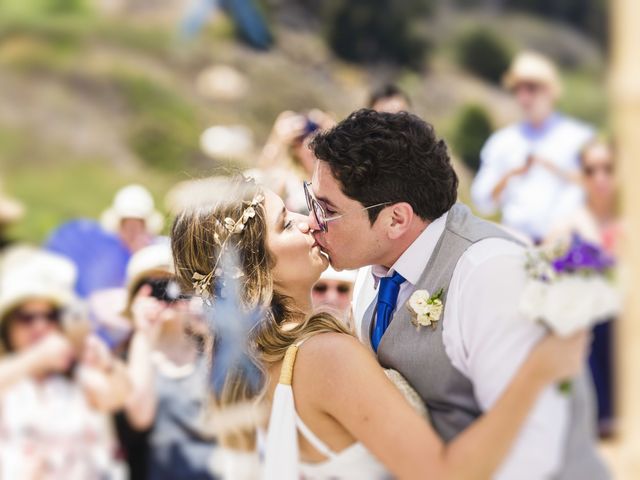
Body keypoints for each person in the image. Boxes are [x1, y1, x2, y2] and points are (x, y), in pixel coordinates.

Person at [171, 175, 591, 479]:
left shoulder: (239, 364)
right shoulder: (325, 357)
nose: (306, 221)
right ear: (251, 271)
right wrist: (539, 370)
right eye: (284, 224)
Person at [306, 109, 608, 479]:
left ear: (396, 219)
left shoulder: (492, 273)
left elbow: (535, 448)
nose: (312, 223)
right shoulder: (372, 271)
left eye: (327, 209)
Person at [0, 250, 129, 479]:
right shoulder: (10, 379)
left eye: (49, 316)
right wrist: (36, 358)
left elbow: (118, 396)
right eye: (26, 318)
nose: (39, 326)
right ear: (8, 326)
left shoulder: (75, 374)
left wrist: (107, 363)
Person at [471, 51, 595, 242]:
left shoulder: (580, 138)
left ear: (551, 90)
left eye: (531, 88)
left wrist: (556, 169)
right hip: (516, 245)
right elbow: (482, 201)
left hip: (568, 247)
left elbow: (601, 191)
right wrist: (510, 174)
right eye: (517, 89)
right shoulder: (501, 141)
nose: (523, 96)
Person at [117, 243, 217, 480]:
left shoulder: (208, 349)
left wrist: (209, 331)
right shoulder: (127, 359)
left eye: (174, 285)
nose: (165, 295)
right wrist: (144, 334)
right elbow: (140, 417)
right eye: (154, 287)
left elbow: (224, 408)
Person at [546, 140, 622, 438]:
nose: (600, 177)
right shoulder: (568, 224)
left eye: (608, 169)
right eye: (591, 170)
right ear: (582, 175)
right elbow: (546, 270)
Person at [248, 110, 334, 214]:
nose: (310, 141)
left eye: (315, 132)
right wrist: (277, 138)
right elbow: (261, 177)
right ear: (295, 148)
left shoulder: (335, 176)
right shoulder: (289, 180)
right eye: (300, 138)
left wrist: (329, 125)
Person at [101, 184, 165, 255]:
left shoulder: (160, 252)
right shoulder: (109, 253)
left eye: (136, 226)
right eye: (127, 226)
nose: (131, 232)